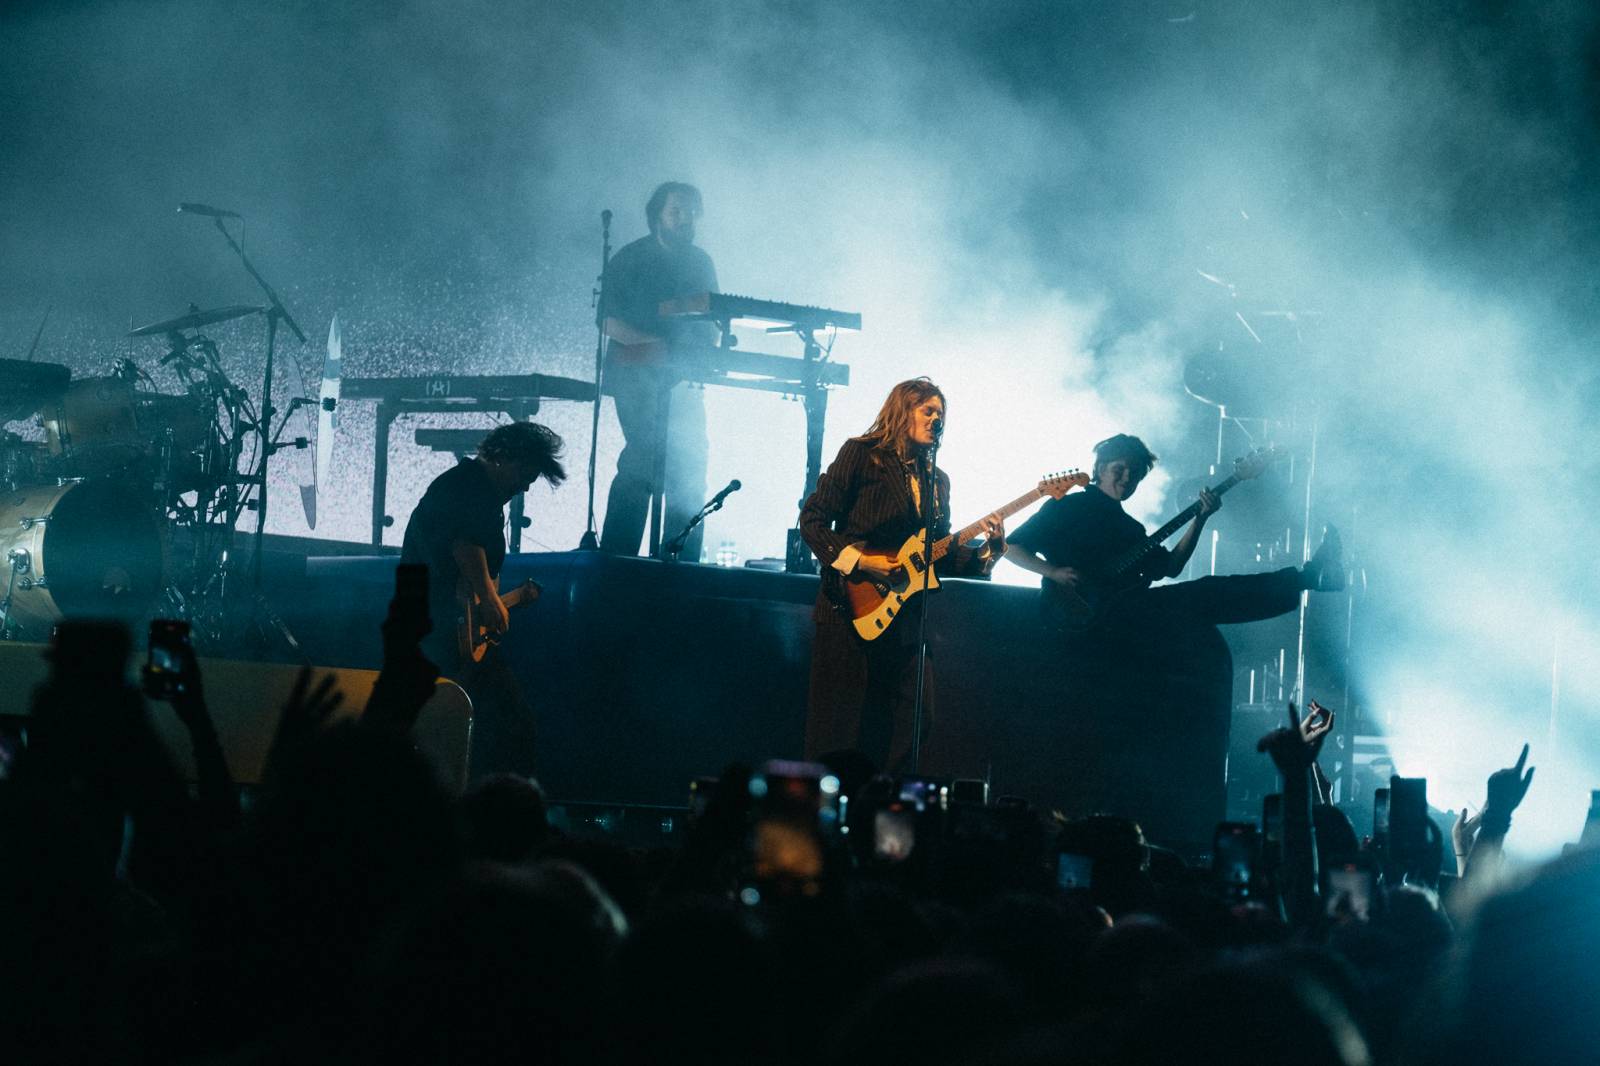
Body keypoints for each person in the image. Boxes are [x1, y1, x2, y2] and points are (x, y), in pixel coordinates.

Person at [798, 378, 1004, 772]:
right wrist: (861, 562)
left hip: (906, 620)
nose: (935, 419)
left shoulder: (937, 480)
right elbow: (813, 520)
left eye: (940, 413)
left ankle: (884, 812)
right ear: (902, 411)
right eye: (927, 410)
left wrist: (987, 556)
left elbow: (937, 554)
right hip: (850, 607)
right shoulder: (861, 454)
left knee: (911, 721)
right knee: (840, 730)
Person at [1002, 432, 1343, 636]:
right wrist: (1053, 572)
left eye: (1134, 474)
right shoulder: (1068, 507)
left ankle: (1312, 576)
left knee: (1210, 591)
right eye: (1119, 470)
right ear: (1100, 471)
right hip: (1082, 617)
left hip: (1123, 613)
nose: (1126, 479)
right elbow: (1010, 546)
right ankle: (1312, 577)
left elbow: (1171, 567)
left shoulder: (1130, 530)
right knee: (1205, 596)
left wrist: (1201, 518)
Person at [401, 421, 566, 775]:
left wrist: (505, 598)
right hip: (435, 632)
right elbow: (464, 544)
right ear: (501, 457)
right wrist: (490, 599)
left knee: (490, 726)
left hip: (453, 634)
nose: (524, 486)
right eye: (525, 474)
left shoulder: (483, 497)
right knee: (499, 726)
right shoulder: (466, 486)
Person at [598, 181, 718, 561]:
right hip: (635, 377)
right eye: (676, 211)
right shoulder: (631, 259)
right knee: (644, 459)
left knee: (691, 463)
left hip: (682, 378)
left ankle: (681, 562)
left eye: (691, 212)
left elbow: (714, 314)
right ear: (657, 217)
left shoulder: (700, 261)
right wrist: (655, 347)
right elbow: (607, 321)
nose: (686, 219)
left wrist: (709, 349)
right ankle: (618, 562)